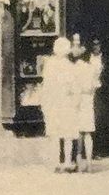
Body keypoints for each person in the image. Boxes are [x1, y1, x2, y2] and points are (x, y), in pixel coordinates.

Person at [44, 37, 80, 172]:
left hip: (55, 103)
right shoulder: (69, 66)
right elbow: (75, 88)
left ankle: (57, 162)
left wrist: (46, 104)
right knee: (67, 134)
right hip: (66, 103)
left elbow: (47, 87)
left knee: (55, 134)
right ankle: (67, 161)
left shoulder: (50, 65)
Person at [71, 35, 102, 173]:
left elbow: (71, 86)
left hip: (78, 100)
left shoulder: (75, 68)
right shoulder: (92, 68)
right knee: (88, 133)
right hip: (88, 100)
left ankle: (79, 163)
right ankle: (89, 163)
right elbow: (96, 85)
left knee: (79, 133)